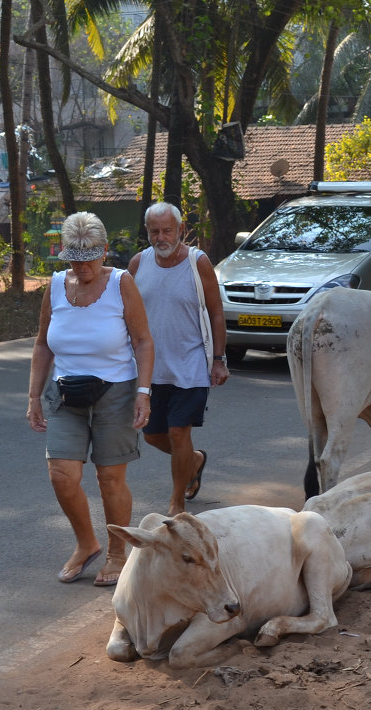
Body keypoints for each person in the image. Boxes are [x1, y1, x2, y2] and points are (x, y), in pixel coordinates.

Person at [27, 212, 154, 586]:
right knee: (61, 475)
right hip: (66, 391)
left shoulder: (121, 283)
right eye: (75, 260)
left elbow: (143, 341)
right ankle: (87, 543)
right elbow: (41, 344)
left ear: (104, 253)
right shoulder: (54, 286)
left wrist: (143, 393)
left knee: (110, 478)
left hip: (116, 391)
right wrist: (34, 395)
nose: (82, 267)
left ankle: (117, 553)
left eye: (89, 259)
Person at [128, 202, 229, 515]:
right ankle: (194, 461)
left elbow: (215, 312)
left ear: (181, 230)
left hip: (191, 364)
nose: (161, 237)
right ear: (147, 232)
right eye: (154, 231)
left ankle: (177, 501)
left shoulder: (198, 263)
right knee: (153, 434)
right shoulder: (137, 264)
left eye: (167, 230)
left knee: (177, 431)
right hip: (150, 369)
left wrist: (218, 358)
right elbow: (124, 313)